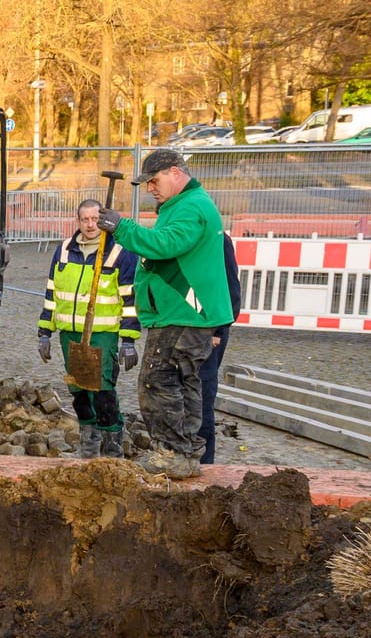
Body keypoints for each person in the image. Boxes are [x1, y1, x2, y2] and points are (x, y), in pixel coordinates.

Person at [97, 148, 235, 479]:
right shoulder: (186, 204)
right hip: (185, 313)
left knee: (158, 381)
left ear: (175, 172)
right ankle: (186, 454)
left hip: (182, 313)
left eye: (154, 181)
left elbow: (165, 244)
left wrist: (122, 227)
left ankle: (173, 453)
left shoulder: (191, 208)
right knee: (184, 384)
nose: (150, 189)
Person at [37, 199, 140, 458]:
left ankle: (112, 448)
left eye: (96, 219)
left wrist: (128, 339)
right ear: (78, 221)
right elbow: (52, 293)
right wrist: (44, 332)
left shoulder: (119, 252)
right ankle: (89, 446)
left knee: (102, 390)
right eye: (85, 219)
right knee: (79, 390)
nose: (91, 225)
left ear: (103, 220)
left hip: (102, 335)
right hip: (69, 334)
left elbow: (130, 298)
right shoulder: (63, 251)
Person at [197, 231, 243, 464]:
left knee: (202, 398)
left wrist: (217, 330)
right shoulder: (174, 235)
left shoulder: (217, 239)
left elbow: (230, 291)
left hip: (208, 333)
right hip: (180, 329)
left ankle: (204, 464)